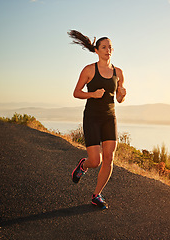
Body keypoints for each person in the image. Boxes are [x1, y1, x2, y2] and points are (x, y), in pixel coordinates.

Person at [68, 30, 126, 209]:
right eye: (104, 47)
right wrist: (93, 94)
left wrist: (122, 95)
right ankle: (83, 166)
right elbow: (76, 92)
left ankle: (97, 195)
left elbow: (118, 98)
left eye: (110, 47)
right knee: (96, 161)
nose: (108, 50)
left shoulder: (118, 72)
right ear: (97, 50)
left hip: (110, 118)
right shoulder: (89, 70)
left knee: (109, 158)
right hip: (92, 118)